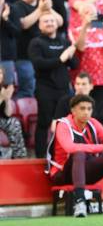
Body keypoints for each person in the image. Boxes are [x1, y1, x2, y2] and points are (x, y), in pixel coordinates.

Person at [28, 13, 78, 158]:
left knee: (64, 124)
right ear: (39, 25)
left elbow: (74, 64)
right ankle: (41, 156)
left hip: (63, 89)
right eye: (45, 21)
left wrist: (71, 54)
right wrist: (61, 59)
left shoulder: (64, 41)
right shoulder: (36, 42)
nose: (49, 23)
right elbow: (39, 64)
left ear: (57, 24)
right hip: (45, 88)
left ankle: (61, 154)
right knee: (44, 122)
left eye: (51, 21)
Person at [12, 0, 64, 98]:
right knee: (28, 89)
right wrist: (40, 9)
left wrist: (49, 8)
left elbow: (59, 22)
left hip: (44, 56)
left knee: (44, 90)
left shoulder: (44, 6)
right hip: (24, 56)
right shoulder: (17, 6)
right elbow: (24, 24)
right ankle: (22, 115)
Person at [71, 4, 103, 126]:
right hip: (85, 81)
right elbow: (80, 47)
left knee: (100, 115)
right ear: (81, 15)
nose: (91, 16)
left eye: (93, 13)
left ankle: (99, 142)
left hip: (102, 78)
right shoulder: (76, 31)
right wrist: (85, 26)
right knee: (84, 113)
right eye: (87, 13)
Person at [0, 66, 26, 158]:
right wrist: (2, 98)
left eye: (1, 73)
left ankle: (19, 155)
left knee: (14, 122)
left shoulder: (3, 90)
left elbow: (8, 114)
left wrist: (7, 100)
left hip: (1, 120)